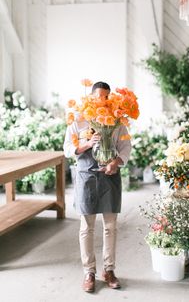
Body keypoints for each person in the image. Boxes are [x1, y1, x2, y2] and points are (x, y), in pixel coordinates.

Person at [63, 81, 131, 293]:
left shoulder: (118, 121)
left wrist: (115, 162)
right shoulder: (78, 120)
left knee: (110, 227)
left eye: (106, 97)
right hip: (86, 177)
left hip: (110, 176)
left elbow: (125, 148)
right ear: (90, 97)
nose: (101, 101)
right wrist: (87, 144)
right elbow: (67, 149)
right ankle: (89, 272)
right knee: (86, 228)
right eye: (98, 97)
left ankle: (109, 270)